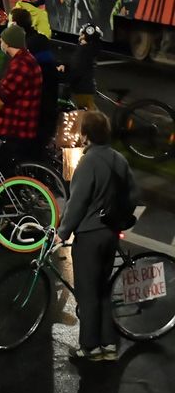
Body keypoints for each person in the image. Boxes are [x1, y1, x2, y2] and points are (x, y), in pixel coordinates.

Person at [56, 111, 137, 362]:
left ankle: (89, 347)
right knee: (103, 289)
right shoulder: (118, 159)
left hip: (89, 235)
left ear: (87, 135)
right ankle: (109, 344)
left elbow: (77, 202)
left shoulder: (88, 162)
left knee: (87, 291)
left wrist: (63, 232)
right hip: (110, 233)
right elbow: (133, 194)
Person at [0, 24, 42, 162]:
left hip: (12, 128)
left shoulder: (21, 64)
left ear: (9, 42)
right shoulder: (22, 60)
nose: (1, 43)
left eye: (2, 40)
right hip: (15, 127)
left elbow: (2, 98)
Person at [60, 23, 102, 109]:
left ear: (86, 36)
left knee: (89, 118)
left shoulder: (84, 51)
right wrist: (65, 65)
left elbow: (77, 69)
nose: (80, 36)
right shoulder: (87, 49)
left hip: (82, 89)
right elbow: (75, 63)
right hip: (84, 88)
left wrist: (66, 79)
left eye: (82, 34)